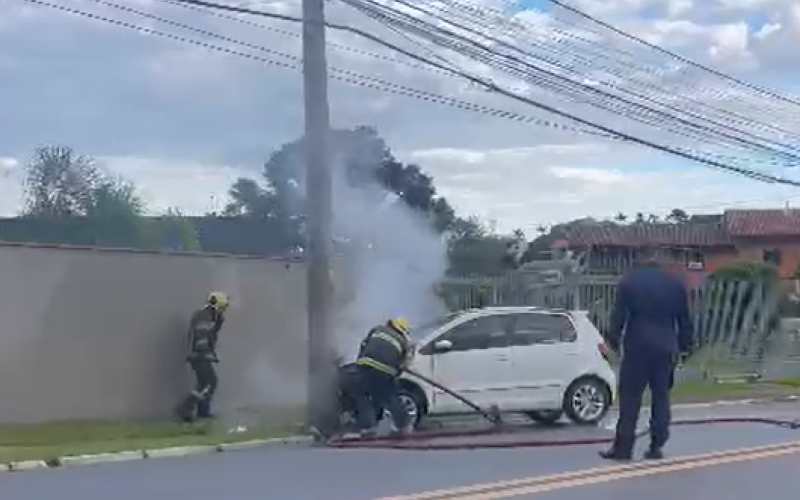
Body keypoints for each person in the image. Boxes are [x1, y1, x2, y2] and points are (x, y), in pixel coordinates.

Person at [600, 255, 694, 461]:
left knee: (630, 397)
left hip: (638, 344)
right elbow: (684, 319)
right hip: (666, 345)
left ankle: (623, 448)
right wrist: (686, 347)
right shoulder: (675, 285)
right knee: (661, 396)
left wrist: (612, 341)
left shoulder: (629, 282)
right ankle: (656, 445)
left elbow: (619, 315)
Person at [352, 317, 415, 437]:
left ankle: (368, 427)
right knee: (390, 396)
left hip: (366, 365)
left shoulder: (377, 330)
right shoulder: (403, 342)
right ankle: (404, 426)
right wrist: (395, 375)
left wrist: (359, 363)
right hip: (386, 370)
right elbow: (403, 364)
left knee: (362, 395)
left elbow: (364, 345)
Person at [178, 291, 230, 421]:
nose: (223, 310)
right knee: (210, 382)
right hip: (199, 354)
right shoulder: (204, 316)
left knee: (203, 383)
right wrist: (205, 353)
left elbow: (212, 336)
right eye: (222, 307)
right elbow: (201, 336)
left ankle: (201, 411)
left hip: (201, 353)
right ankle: (187, 408)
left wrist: (212, 352)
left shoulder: (214, 317)